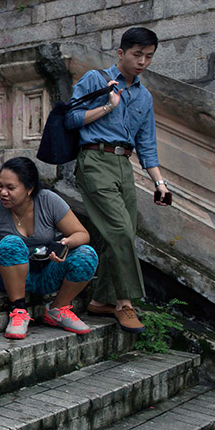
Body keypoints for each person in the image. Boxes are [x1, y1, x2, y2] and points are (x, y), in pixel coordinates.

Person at [64, 27, 170, 334]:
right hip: (95, 160)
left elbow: (147, 144)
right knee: (120, 229)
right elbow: (71, 119)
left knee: (121, 234)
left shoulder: (144, 95)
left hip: (124, 165)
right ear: (121, 53)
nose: (142, 62)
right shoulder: (95, 80)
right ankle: (125, 303)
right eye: (137, 55)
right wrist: (108, 105)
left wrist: (160, 183)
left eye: (148, 57)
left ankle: (100, 301)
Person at [0, 157, 98, 339]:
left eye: (10, 188)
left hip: (44, 272)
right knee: (11, 243)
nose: (2, 192)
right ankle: (18, 310)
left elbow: (82, 234)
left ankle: (57, 309)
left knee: (87, 255)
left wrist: (64, 245)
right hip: (5, 275)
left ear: (29, 189)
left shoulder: (49, 201)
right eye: (0, 186)